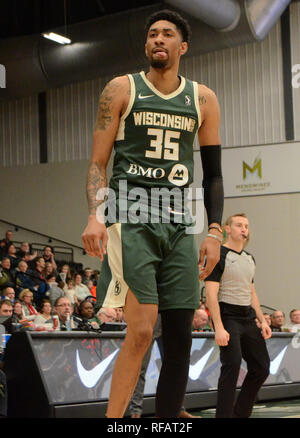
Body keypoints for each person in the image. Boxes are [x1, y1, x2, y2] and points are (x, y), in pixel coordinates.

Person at [81, 9, 224, 418]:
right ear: (146, 46)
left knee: (180, 337)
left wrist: (213, 231)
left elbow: (213, 174)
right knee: (142, 331)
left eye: (167, 34)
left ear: (183, 47)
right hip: (131, 217)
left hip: (181, 223)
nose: (157, 40)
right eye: (152, 35)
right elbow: (97, 163)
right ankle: (115, 422)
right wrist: (95, 214)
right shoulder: (121, 88)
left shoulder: (203, 98)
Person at [205, 213, 272, 418]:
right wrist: (218, 326)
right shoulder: (218, 255)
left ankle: (240, 414)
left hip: (247, 317)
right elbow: (210, 294)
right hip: (228, 316)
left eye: (246, 226)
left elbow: (252, 293)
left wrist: (262, 320)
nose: (244, 229)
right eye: (239, 225)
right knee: (232, 365)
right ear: (227, 229)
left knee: (261, 368)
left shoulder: (250, 258)